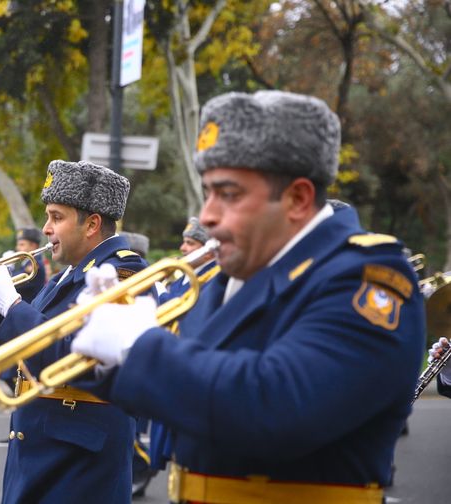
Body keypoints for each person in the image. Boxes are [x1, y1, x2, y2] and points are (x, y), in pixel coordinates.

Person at [71, 90, 425, 503]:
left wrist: (138, 345)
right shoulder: (230, 274)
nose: (207, 215)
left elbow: (274, 409)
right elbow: (186, 392)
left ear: (297, 198)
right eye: (208, 192)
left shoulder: (369, 277)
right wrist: (102, 352)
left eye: (230, 194)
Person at [0, 160, 148, 503]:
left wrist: (13, 307)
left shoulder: (124, 271)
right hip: (43, 451)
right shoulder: (67, 275)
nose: (46, 228)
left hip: (78, 462)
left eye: (57, 217)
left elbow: (79, 358)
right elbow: (30, 343)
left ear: (92, 223)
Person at [10, 227, 47, 303]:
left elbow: (15, 283)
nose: (17, 248)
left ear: (33, 246)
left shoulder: (34, 264)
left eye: (22, 244)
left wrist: (6, 269)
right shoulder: (27, 263)